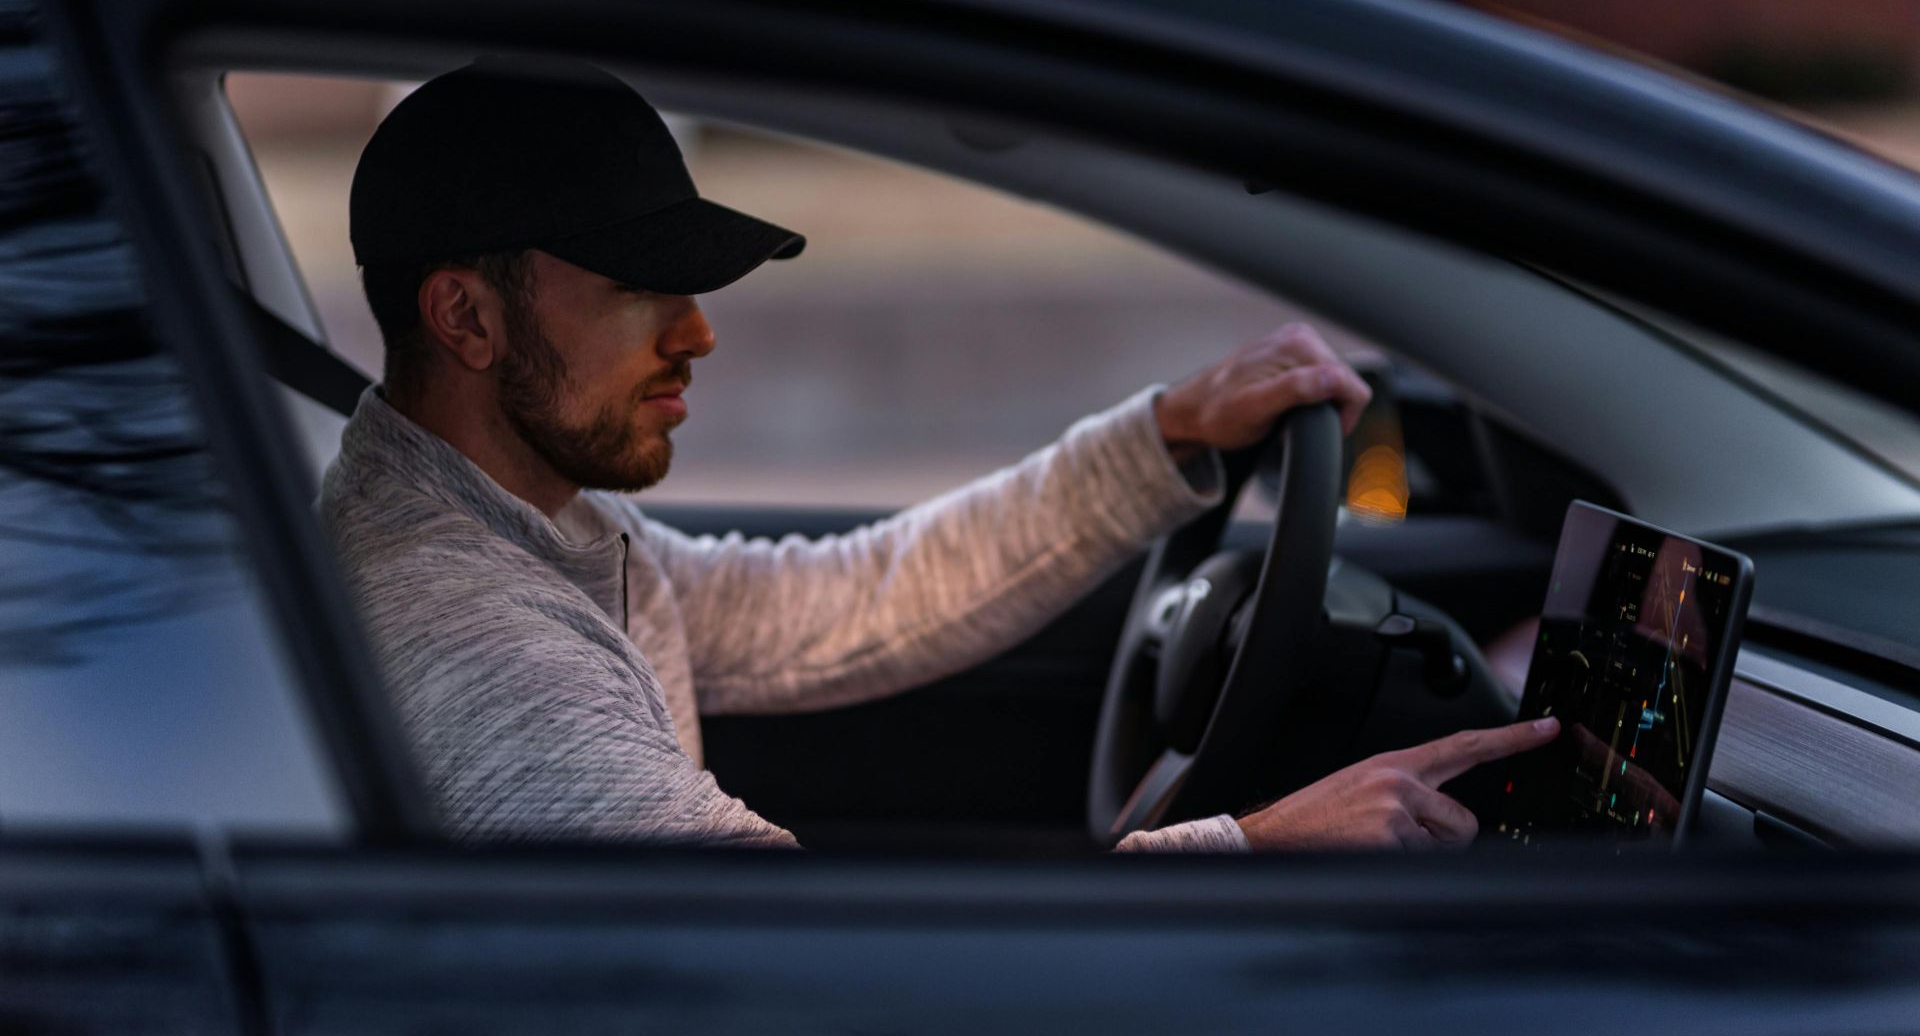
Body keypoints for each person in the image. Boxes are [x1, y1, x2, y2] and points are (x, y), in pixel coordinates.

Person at [322, 57, 1558, 853]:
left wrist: (1164, 433)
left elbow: (849, 601)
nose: (699, 333)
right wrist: (1259, 852)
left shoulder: (541, 524)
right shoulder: (470, 637)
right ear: (466, 319)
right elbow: (815, 969)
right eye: (646, 288)